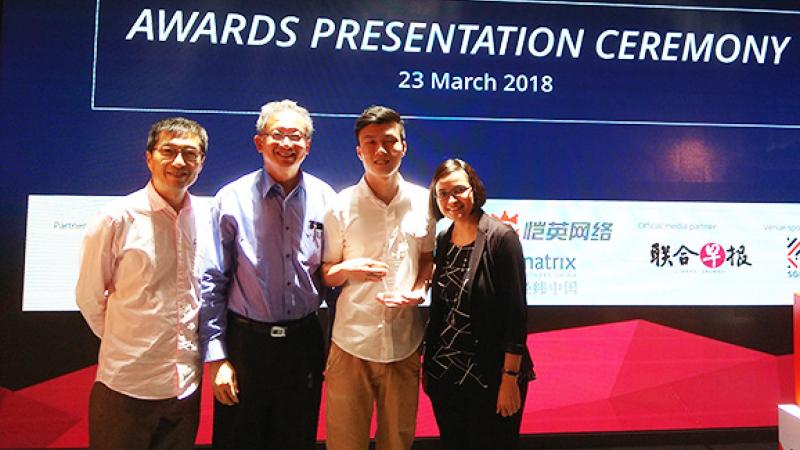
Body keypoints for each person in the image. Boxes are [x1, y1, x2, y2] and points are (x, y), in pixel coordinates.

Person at [200, 99, 336, 450]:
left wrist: (336, 346)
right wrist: (217, 357)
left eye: (296, 136)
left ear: (308, 145)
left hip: (303, 344)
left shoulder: (327, 199)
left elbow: (334, 280)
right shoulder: (231, 199)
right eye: (278, 134)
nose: (287, 144)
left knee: (296, 439)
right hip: (246, 345)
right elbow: (212, 282)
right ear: (259, 142)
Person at [75, 117, 209, 450]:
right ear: (149, 158)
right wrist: (126, 341)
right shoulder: (115, 218)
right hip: (127, 385)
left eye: (190, 154)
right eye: (169, 151)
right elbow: (89, 297)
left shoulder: (207, 218)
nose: (179, 162)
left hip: (185, 387)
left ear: (201, 162)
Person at [322, 105, 435, 450]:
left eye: (389, 141)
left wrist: (420, 290)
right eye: (370, 142)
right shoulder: (339, 206)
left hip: (404, 341)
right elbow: (327, 273)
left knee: (398, 441)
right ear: (359, 151)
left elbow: (427, 259)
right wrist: (348, 269)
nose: (380, 150)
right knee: (344, 443)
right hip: (351, 343)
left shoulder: (425, 201)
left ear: (404, 146)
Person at [423, 158, 535, 450]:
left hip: (491, 376)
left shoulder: (501, 237)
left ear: (474, 189)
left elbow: (515, 315)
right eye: (443, 193)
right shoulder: (443, 239)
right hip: (446, 377)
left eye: (459, 190)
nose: (451, 200)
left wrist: (510, 378)